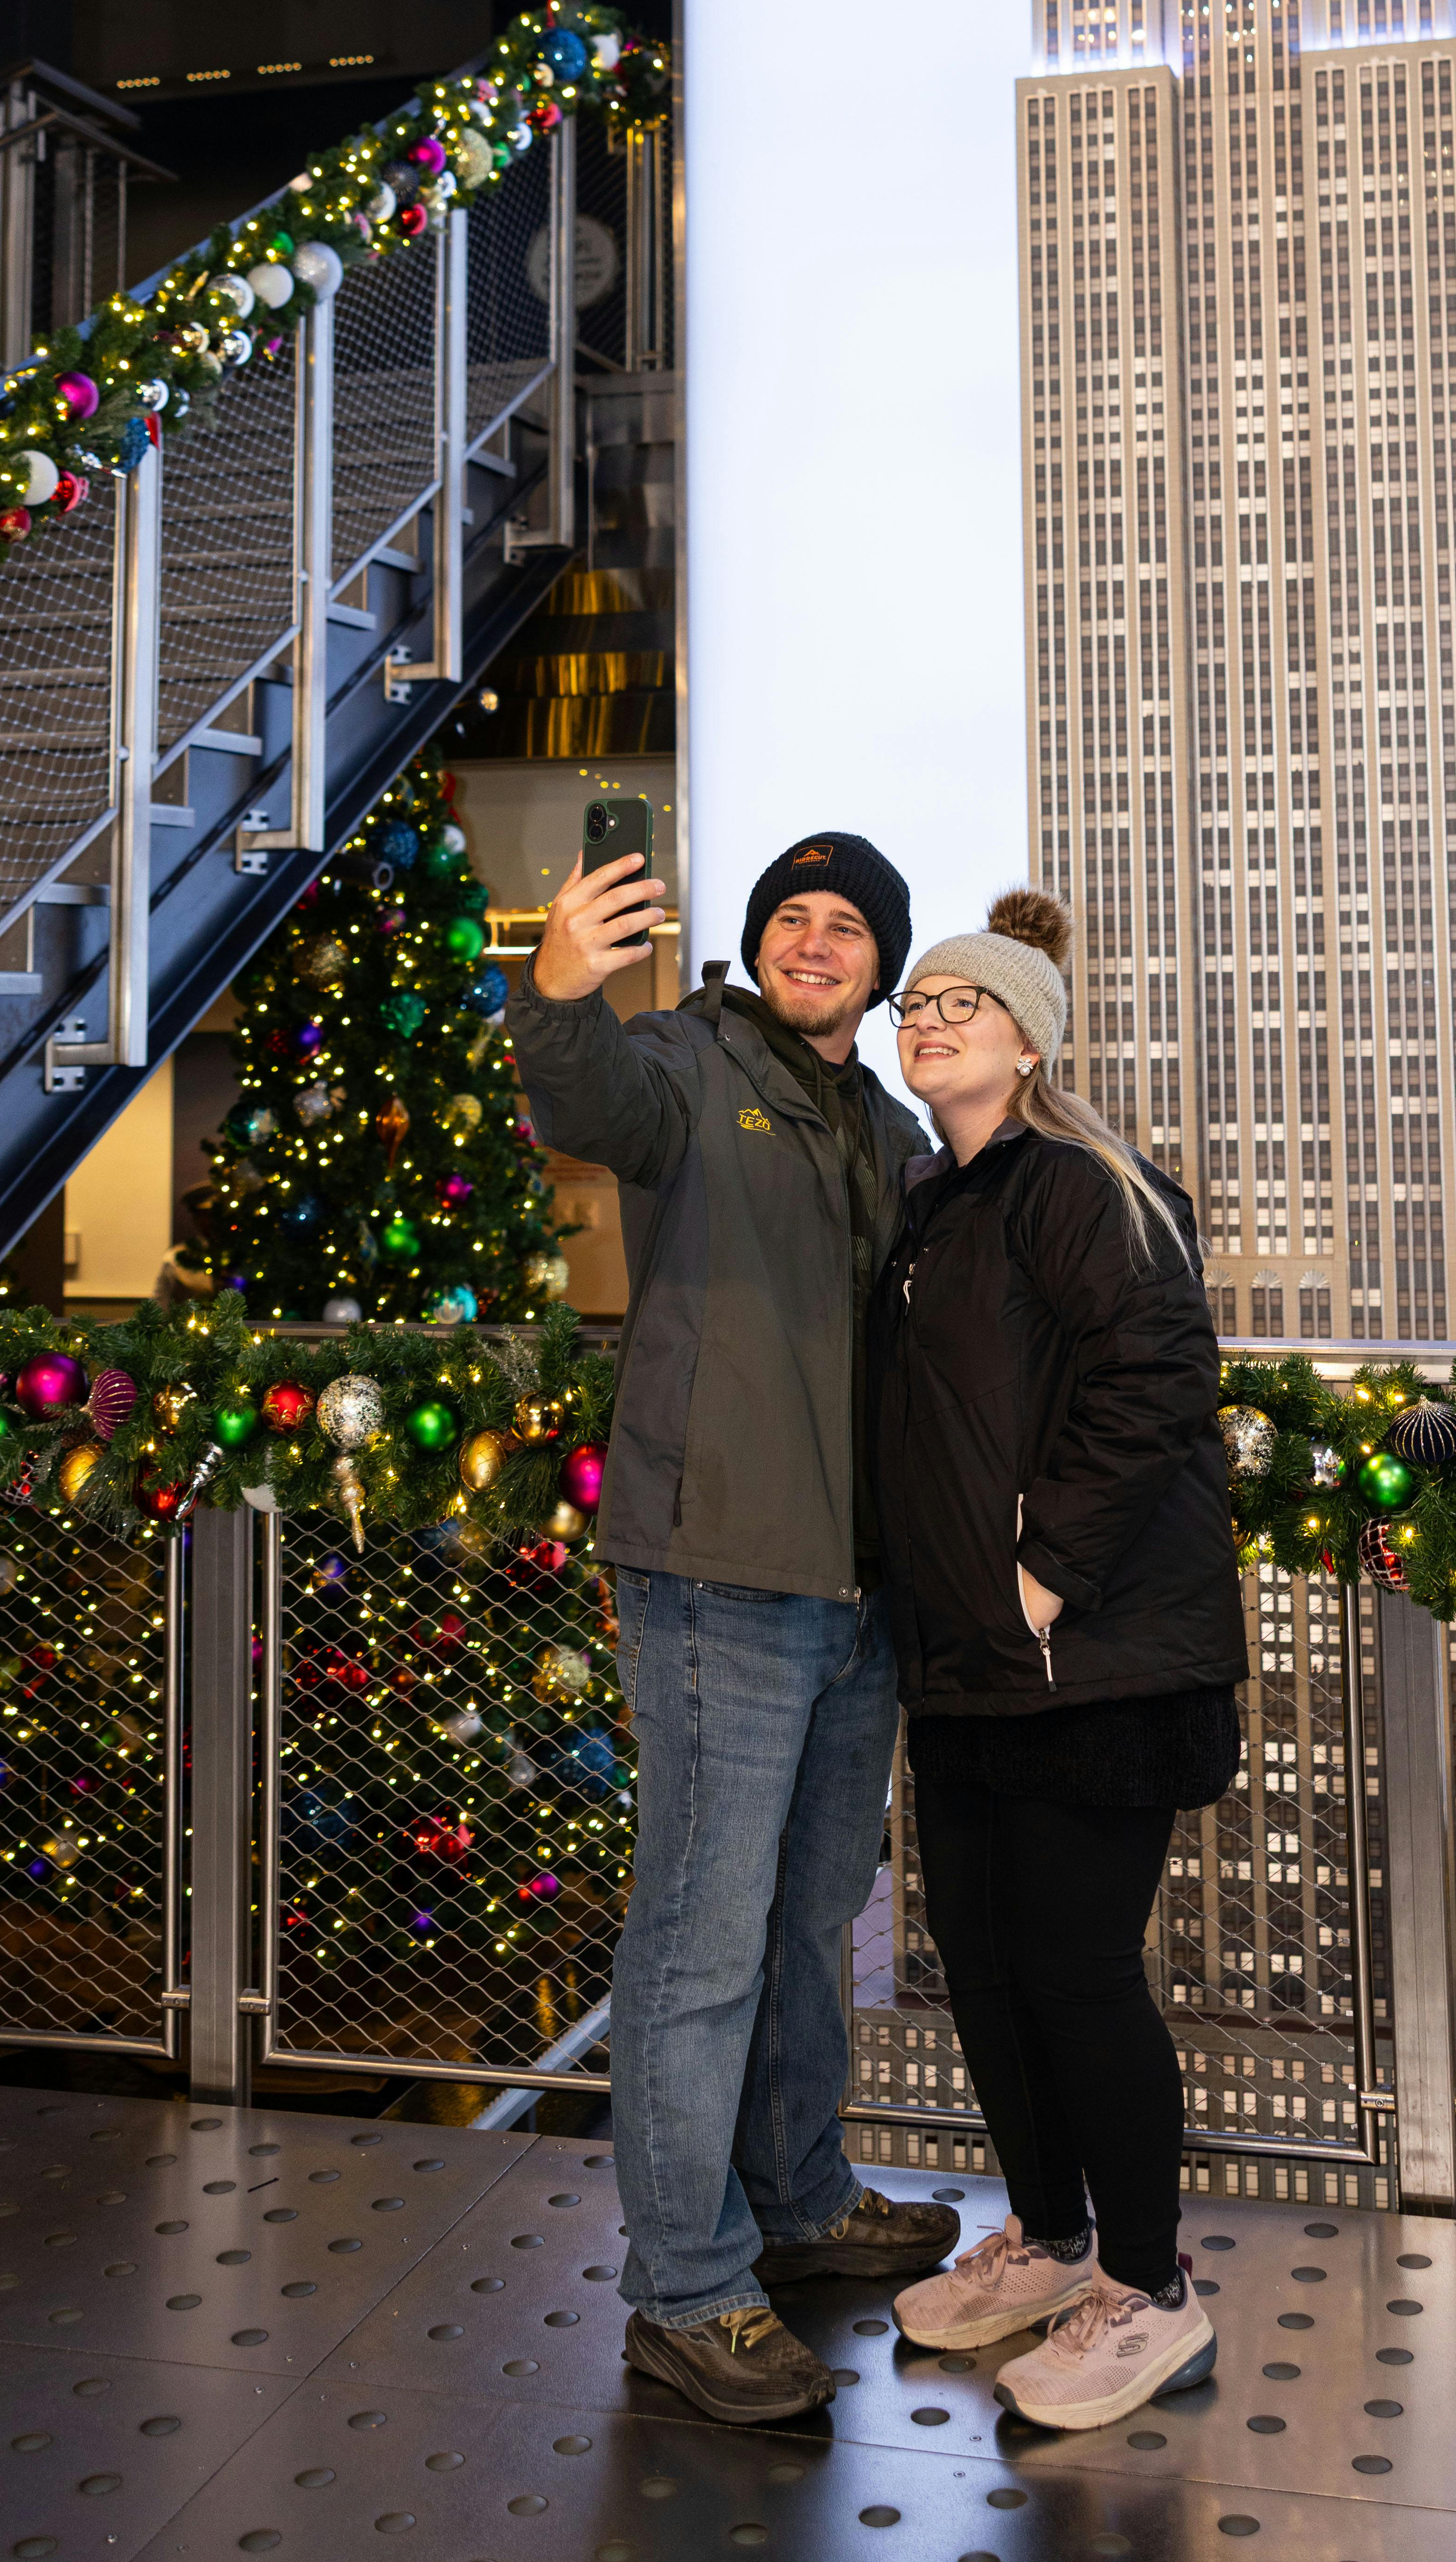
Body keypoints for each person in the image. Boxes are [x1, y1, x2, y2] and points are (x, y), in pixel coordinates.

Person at [511, 828, 960, 2425]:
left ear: (882, 966)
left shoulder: (887, 1124)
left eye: (849, 926)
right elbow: (582, 1103)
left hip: (858, 1593)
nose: (816, 941)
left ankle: (798, 2193)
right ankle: (687, 2290)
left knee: (807, 1921)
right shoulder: (693, 1066)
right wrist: (559, 986)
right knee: (701, 1934)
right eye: (792, 917)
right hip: (719, 1571)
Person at [868, 888, 1245, 2433]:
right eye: (919, 1006)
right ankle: (1047, 2237)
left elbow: (1157, 1378)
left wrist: (1043, 1579)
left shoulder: (1084, 1183)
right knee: (986, 1960)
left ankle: (1151, 2293)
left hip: (1091, 1657)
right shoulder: (929, 1198)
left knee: (1081, 1971)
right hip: (968, 1658)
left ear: (1028, 1040)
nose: (929, 1020)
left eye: (964, 1005)